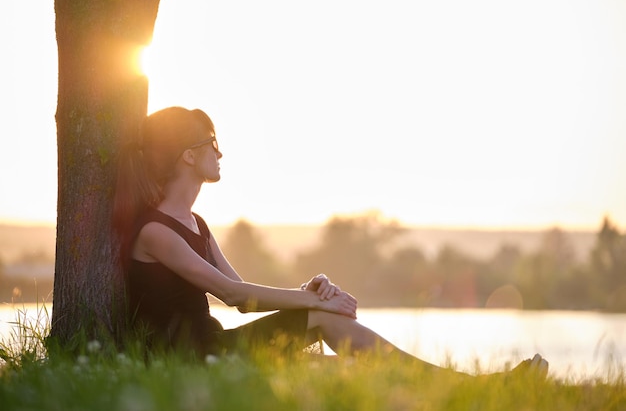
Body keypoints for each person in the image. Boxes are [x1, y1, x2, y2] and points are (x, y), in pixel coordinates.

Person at [113, 106, 548, 379]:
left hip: (213, 348)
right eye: (211, 143)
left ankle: (462, 390)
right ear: (188, 156)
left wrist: (307, 293)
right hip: (185, 361)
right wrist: (315, 308)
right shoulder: (156, 232)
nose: (219, 152)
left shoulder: (196, 224)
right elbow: (230, 292)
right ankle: (478, 388)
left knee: (340, 366)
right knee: (324, 327)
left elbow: (244, 301)